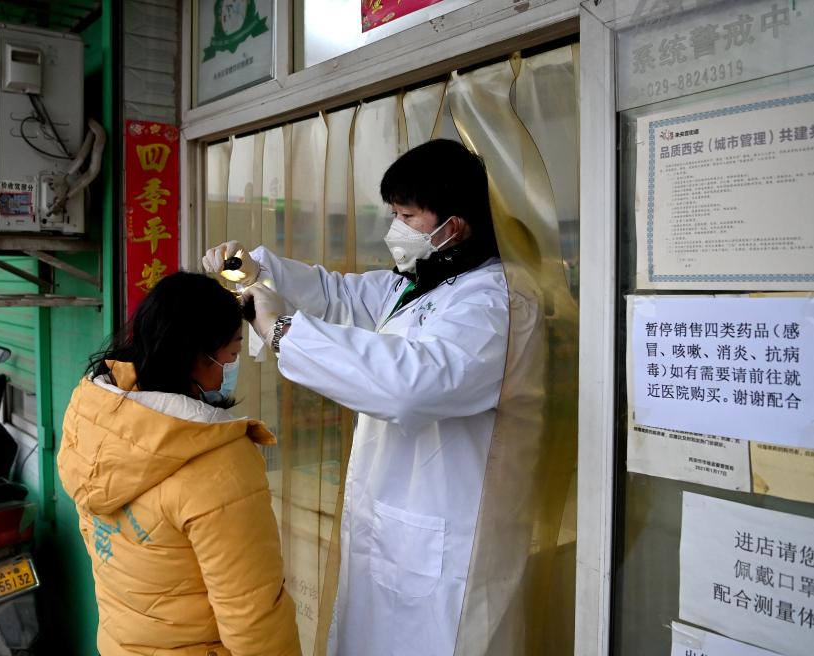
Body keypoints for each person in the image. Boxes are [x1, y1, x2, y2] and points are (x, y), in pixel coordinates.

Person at [202, 139, 509, 655]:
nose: (394, 227)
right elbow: (335, 295)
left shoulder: (490, 304)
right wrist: (249, 270)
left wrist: (282, 331)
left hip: (441, 541)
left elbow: (410, 387)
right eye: (393, 213)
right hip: (394, 527)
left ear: (453, 227)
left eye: (406, 216)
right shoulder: (416, 285)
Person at [57, 271, 301, 656]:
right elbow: (252, 617)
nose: (233, 367)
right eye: (232, 355)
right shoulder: (219, 463)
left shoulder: (96, 419)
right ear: (196, 355)